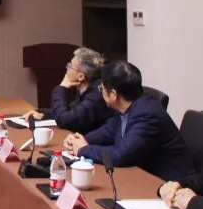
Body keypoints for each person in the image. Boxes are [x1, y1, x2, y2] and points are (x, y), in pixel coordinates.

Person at [63, 61, 193, 182]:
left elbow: (120, 155)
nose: (101, 91)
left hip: (168, 184)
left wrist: (84, 149)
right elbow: (109, 130)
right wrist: (81, 140)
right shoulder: (129, 103)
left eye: (102, 88)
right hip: (142, 175)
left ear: (113, 95)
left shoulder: (147, 115)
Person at [23, 46, 112, 133]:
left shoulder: (96, 94)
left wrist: (61, 87)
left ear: (80, 76)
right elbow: (71, 111)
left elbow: (65, 120)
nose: (67, 68)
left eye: (70, 66)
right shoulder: (89, 87)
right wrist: (43, 113)